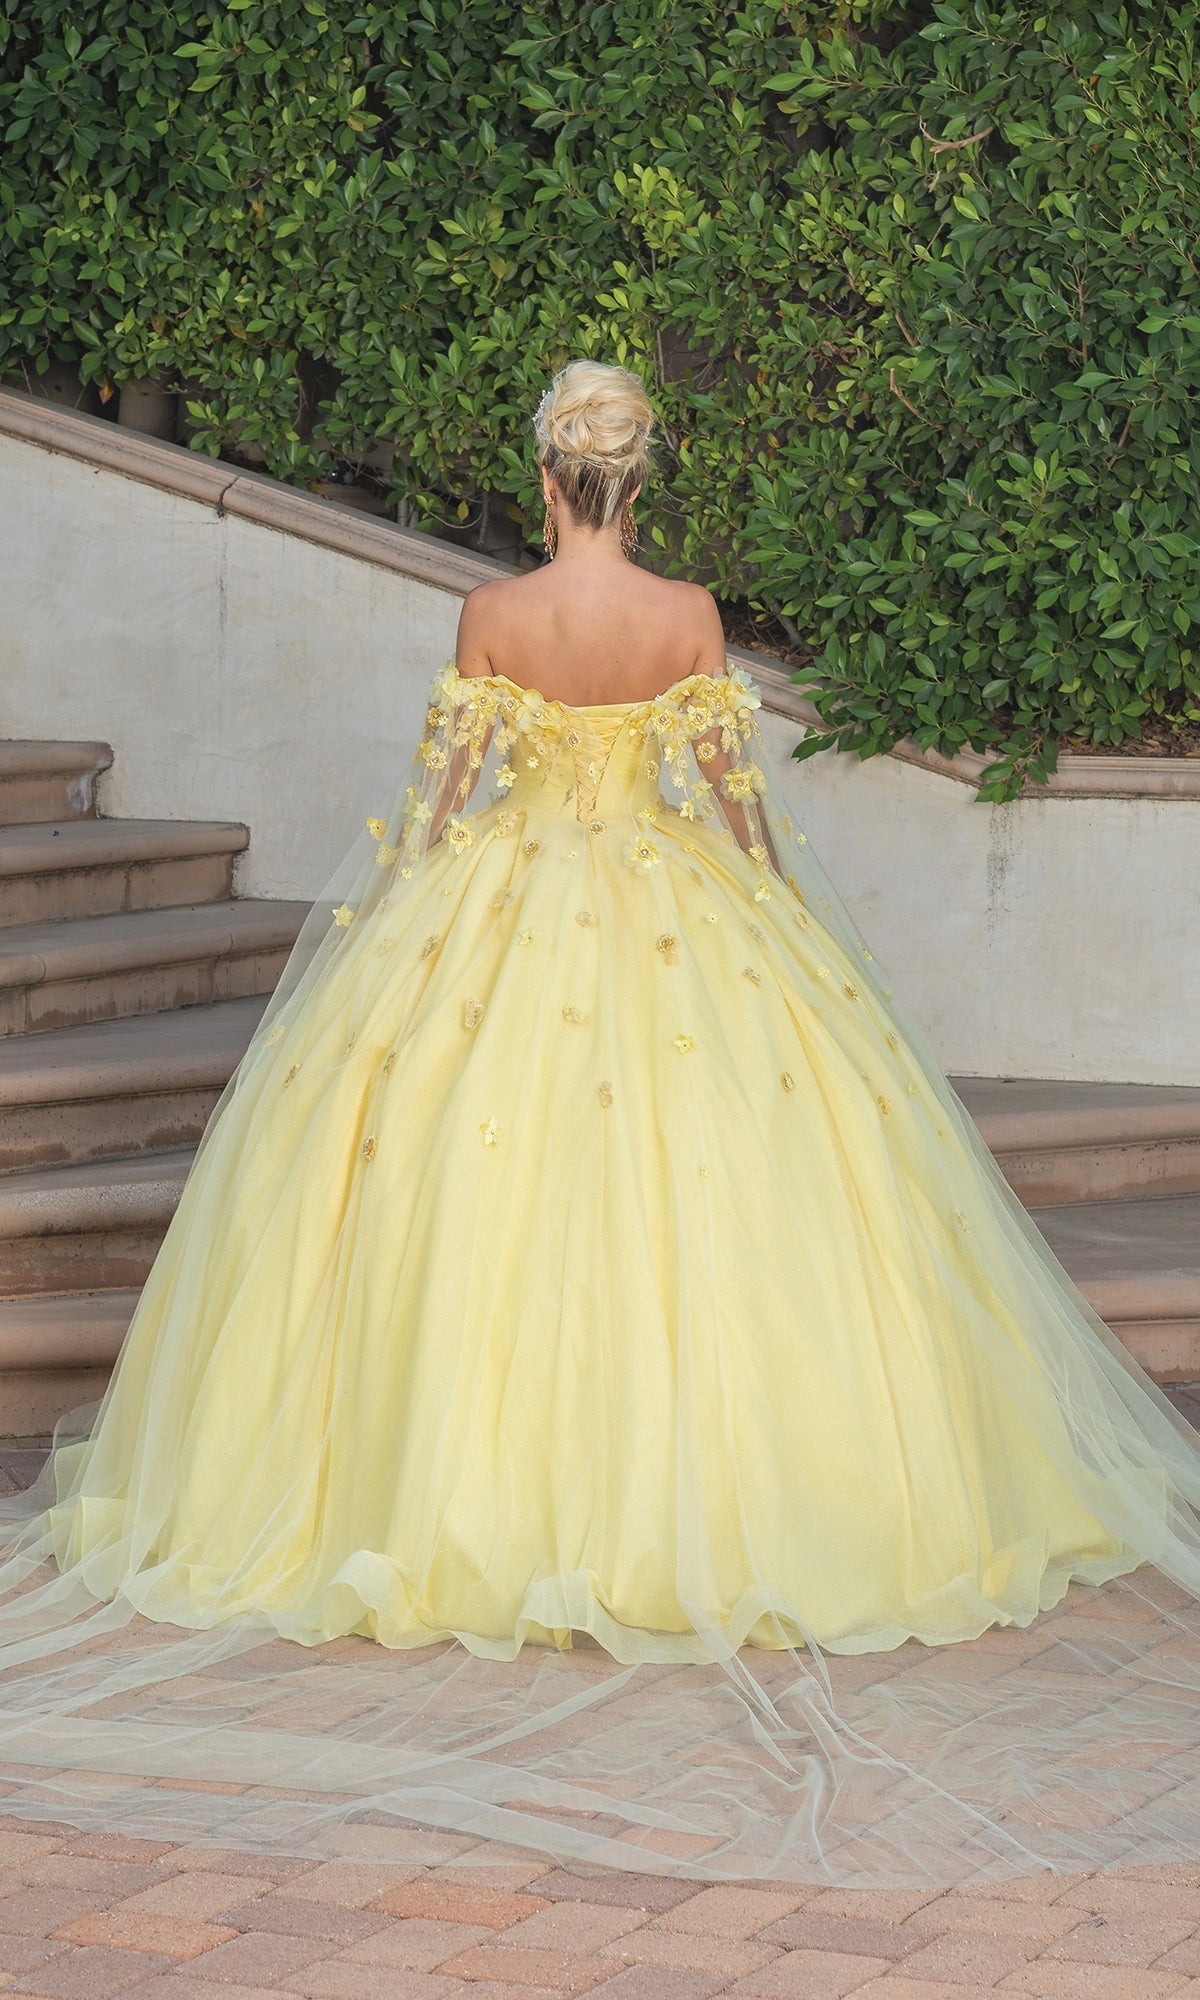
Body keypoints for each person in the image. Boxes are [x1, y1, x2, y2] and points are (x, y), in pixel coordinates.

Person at [2, 358, 1200, 1886]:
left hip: (501, 905)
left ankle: (453, 1501)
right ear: (641, 477)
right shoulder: (687, 617)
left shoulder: (494, 620)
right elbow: (739, 815)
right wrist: (779, 931)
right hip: (672, 910)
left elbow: (440, 807)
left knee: (448, 1187)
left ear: (546, 473)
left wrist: (398, 940)